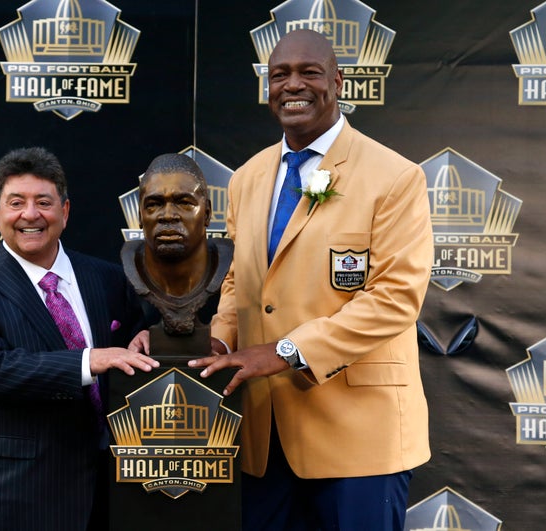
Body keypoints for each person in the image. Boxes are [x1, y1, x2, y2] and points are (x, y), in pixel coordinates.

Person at [188, 30, 433, 530]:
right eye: (280, 75)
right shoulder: (247, 178)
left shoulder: (394, 176)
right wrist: (218, 339)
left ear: (338, 82)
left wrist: (281, 352)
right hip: (263, 437)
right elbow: (238, 281)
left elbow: (394, 299)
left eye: (309, 72)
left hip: (358, 439)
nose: (292, 84)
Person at [0, 146, 158, 531]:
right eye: (16, 202)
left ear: (65, 212)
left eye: (44, 202)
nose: (31, 215)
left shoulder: (106, 279)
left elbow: (137, 338)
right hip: (13, 499)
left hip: (108, 494)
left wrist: (146, 337)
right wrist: (90, 360)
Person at [121, 153, 233, 344]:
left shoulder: (228, 262)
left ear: (207, 213)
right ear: (140, 216)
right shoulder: (129, 266)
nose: (168, 215)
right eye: (154, 204)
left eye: (183, 203)